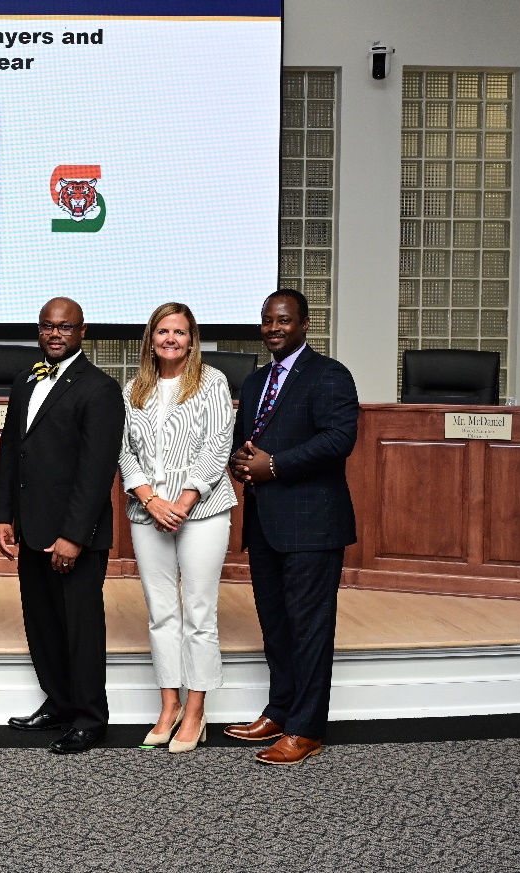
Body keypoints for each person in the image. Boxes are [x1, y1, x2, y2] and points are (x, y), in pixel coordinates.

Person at [226, 289, 359, 765]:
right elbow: (249, 441)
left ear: (304, 324)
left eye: (283, 320)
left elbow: (340, 439)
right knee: (276, 625)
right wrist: (241, 464)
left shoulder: (329, 375)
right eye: (266, 321)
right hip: (265, 523)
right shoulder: (258, 378)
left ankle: (306, 728)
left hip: (312, 525)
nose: (273, 328)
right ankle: (280, 710)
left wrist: (275, 466)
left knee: (309, 628)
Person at [0, 298, 125, 754]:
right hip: (30, 527)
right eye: (47, 326)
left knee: (80, 628)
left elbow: (96, 471)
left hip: (74, 536)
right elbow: (13, 450)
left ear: (82, 331)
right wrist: (2, 514)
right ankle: (60, 702)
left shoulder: (100, 389)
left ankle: (90, 718)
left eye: (64, 327)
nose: (55, 334)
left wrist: (73, 536)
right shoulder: (27, 378)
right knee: (43, 623)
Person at [118, 303, 236, 753]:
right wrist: (150, 498)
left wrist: (182, 503)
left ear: (192, 339)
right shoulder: (134, 389)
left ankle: (196, 709)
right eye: (162, 331)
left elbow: (217, 444)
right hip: (148, 514)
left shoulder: (212, 382)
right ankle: (169, 705)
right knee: (162, 613)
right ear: (150, 338)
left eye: (180, 332)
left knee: (199, 615)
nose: (171, 339)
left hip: (202, 512)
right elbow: (125, 452)